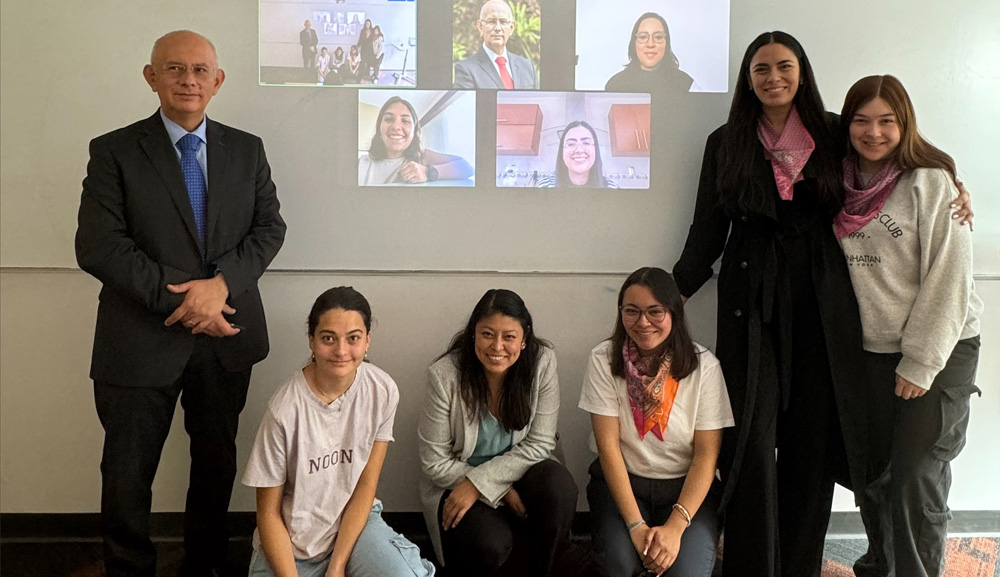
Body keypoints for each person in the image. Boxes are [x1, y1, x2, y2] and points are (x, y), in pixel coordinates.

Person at [672, 32, 971, 577]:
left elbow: (896, 164)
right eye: (760, 69)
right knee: (753, 442)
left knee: (811, 444)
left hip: (823, 303)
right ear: (747, 79)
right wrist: (669, 296)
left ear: (802, 72)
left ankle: (802, 564)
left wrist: (953, 180)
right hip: (750, 300)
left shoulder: (836, 130)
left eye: (784, 66)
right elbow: (706, 232)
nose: (773, 77)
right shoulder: (726, 141)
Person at [75, 30, 286, 577]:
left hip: (226, 338)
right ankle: (128, 569)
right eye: (173, 69)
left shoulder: (247, 149)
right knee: (127, 472)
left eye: (199, 70)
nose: (187, 80)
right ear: (151, 77)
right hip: (139, 339)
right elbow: (99, 246)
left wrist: (220, 286)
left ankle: (206, 564)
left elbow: (269, 229)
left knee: (215, 463)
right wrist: (190, 299)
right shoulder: (114, 150)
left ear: (218, 82)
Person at [835, 75, 982, 577]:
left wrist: (920, 363)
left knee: (916, 477)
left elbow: (949, 279)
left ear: (905, 124)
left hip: (939, 348)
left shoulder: (932, 182)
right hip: (872, 350)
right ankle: (880, 566)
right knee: (874, 472)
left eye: (886, 121)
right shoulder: (837, 182)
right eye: (861, 120)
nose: (873, 132)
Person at [243, 287, 436, 577]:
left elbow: (365, 485)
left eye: (353, 338)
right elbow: (268, 514)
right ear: (311, 340)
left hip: (355, 526)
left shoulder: (382, 390)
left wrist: (337, 566)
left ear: (368, 340)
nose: (341, 351)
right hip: (294, 540)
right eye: (328, 338)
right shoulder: (284, 410)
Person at [580, 267, 734, 577]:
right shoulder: (603, 358)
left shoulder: (705, 367)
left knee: (684, 572)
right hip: (624, 486)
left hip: (685, 492)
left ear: (674, 314)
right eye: (632, 311)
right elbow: (608, 447)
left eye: (655, 312)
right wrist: (636, 527)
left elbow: (706, 455)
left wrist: (676, 528)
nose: (643, 322)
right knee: (621, 566)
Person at [418, 289, 577, 576]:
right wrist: (499, 491)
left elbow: (540, 443)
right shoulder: (444, 376)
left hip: (518, 473)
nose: (497, 346)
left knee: (560, 487)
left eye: (509, 337)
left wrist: (481, 483)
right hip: (458, 482)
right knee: (490, 544)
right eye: (487, 334)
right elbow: (434, 462)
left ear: (525, 339)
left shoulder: (542, 363)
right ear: (473, 335)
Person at [358, 96, 474, 185]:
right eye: (388, 119)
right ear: (379, 129)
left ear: (414, 132)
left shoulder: (423, 157)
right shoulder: (360, 162)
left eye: (405, 121)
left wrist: (427, 172)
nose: (396, 126)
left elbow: (467, 168)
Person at [454, 0, 537, 90]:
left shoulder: (527, 67)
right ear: (480, 26)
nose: (498, 28)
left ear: (512, 28)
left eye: (503, 21)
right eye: (491, 21)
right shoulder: (467, 70)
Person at [605, 12, 694, 95]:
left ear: (666, 43)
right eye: (643, 37)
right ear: (634, 43)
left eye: (658, 37)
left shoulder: (686, 84)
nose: (650, 44)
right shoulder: (615, 86)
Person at [535, 121, 619, 188]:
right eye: (571, 144)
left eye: (586, 143)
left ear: (595, 150)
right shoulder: (543, 187)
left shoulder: (612, 189)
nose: (579, 150)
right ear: (562, 153)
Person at [358, 19, 374, 83]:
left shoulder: (372, 30)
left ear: (370, 24)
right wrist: (358, 45)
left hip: (370, 49)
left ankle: (367, 74)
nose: (367, 24)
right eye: (366, 23)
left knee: (368, 62)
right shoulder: (363, 31)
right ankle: (361, 74)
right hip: (364, 48)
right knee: (362, 62)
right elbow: (360, 39)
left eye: (368, 23)